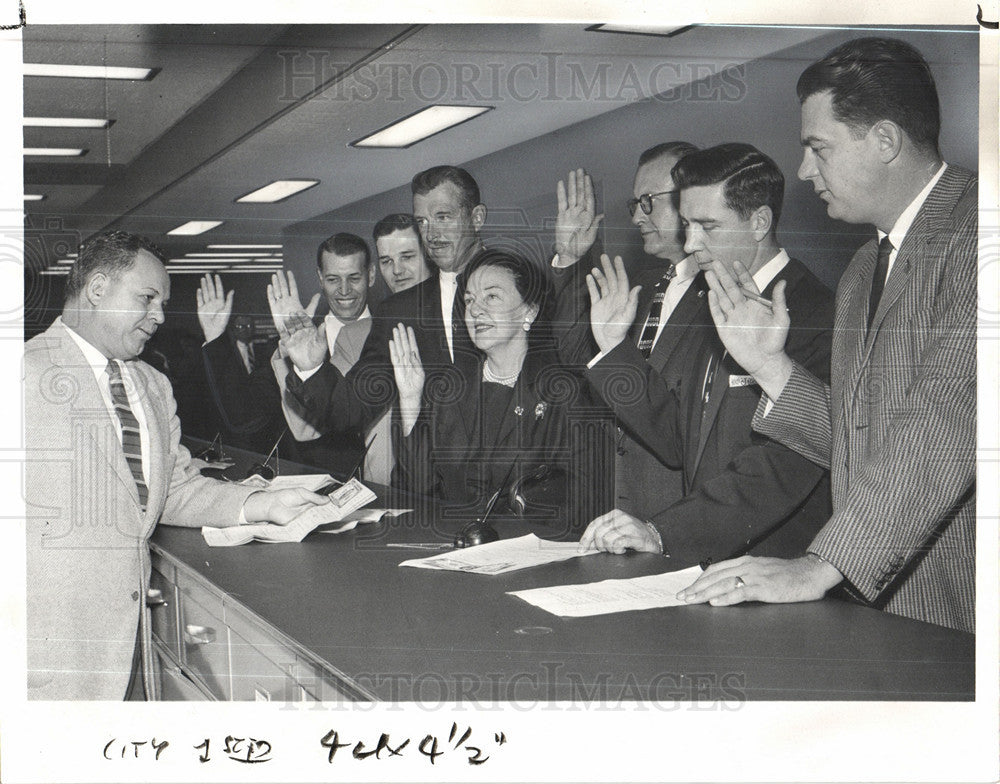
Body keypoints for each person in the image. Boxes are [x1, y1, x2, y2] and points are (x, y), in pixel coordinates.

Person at [680, 38, 976, 633]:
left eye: (818, 148)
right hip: (879, 614)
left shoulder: (981, 234)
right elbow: (855, 440)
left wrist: (823, 563)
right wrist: (771, 367)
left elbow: (950, 423)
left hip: (958, 609)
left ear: (885, 141)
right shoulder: (865, 267)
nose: (803, 170)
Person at [23, 231, 326, 700]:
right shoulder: (21, 373)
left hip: (128, 650)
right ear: (98, 288)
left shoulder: (153, 385)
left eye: (161, 303)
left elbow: (174, 490)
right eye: (146, 298)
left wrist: (263, 504)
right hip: (43, 656)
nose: (159, 317)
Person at [578, 143, 835, 566]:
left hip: (778, 571)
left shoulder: (817, 312)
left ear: (759, 222)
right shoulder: (710, 303)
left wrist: (665, 532)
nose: (691, 241)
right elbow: (679, 441)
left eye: (708, 226)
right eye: (686, 223)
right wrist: (613, 348)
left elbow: (781, 466)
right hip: (708, 567)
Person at [388, 248, 612, 536]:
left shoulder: (567, 395)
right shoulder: (448, 390)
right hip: (451, 551)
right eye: (469, 300)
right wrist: (409, 400)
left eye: (491, 297)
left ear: (529, 311)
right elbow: (420, 490)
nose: (475, 310)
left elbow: (583, 507)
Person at [280, 166, 487, 438]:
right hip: (424, 476)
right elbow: (350, 410)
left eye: (443, 217)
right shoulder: (399, 312)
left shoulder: (523, 285)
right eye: (422, 222)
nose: (432, 234)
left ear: (477, 217)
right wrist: (311, 368)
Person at [552, 143, 700, 517]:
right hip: (615, 510)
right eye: (636, 204)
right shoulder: (642, 285)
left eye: (648, 201)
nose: (637, 218)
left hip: (678, 514)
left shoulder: (723, 297)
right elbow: (578, 353)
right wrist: (570, 257)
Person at [198, 233, 378, 478]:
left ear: (371, 276)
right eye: (333, 279)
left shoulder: (391, 335)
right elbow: (244, 417)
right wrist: (216, 339)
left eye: (354, 278)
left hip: (386, 488)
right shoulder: (291, 342)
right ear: (320, 280)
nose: (344, 290)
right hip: (306, 490)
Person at [373, 212, 432, 295]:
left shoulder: (454, 302)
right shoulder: (385, 307)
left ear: (428, 255)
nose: (397, 270)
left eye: (407, 257)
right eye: (386, 261)